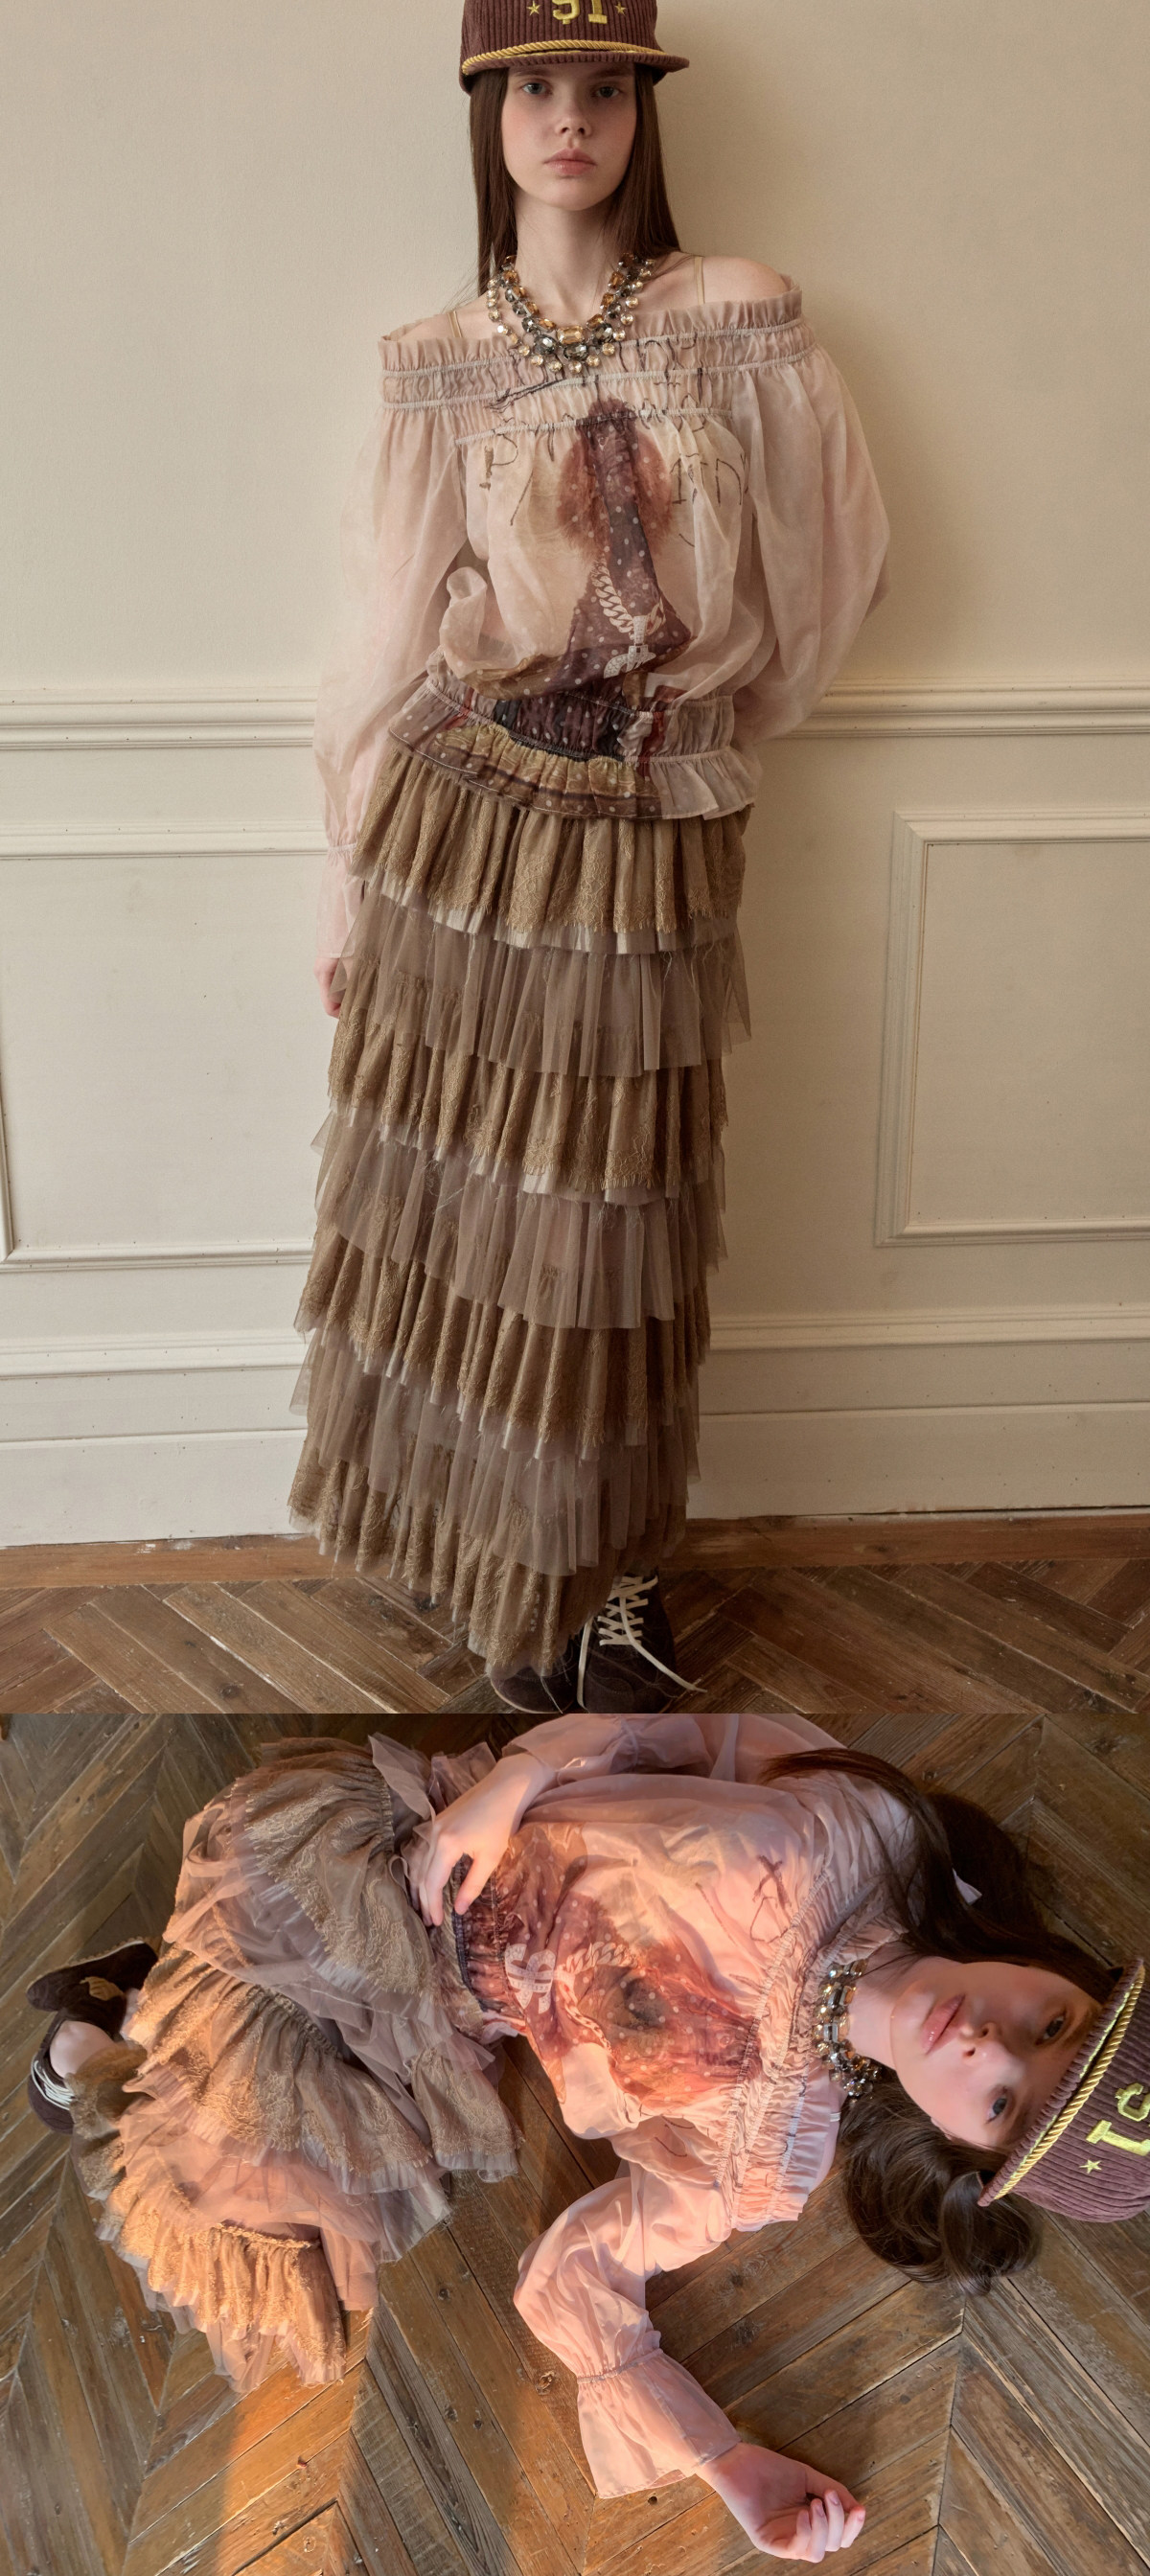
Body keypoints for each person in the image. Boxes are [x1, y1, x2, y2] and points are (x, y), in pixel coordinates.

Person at [285, 0, 892, 1714]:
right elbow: (383, 636)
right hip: (463, 828)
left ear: (642, 111)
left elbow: (833, 565)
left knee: (615, 1211)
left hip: (653, 829)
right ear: (487, 116)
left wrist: (699, 725)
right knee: (467, 1203)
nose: (571, 120)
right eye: (535, 89)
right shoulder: (439, 360)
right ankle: (479, 1552)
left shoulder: (738, 315)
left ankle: (603, 1578)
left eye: (604, 88)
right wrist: (347, 875)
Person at [27, 1714, 1148, 2564]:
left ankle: (123, 2018)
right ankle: (148, 2004)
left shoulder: (757, 2151)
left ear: (963, 2147)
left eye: (1003, 2104)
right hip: (392, 1847)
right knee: (250, 1908)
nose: (990, 2044)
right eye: (1052, 2025)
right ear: (1056, 1972)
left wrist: (720, 2457)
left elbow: (574, 2271)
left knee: (236, 2172)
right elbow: (668, 1736)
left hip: (427, 2005)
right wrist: (516, 1779)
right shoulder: (875, 1826)